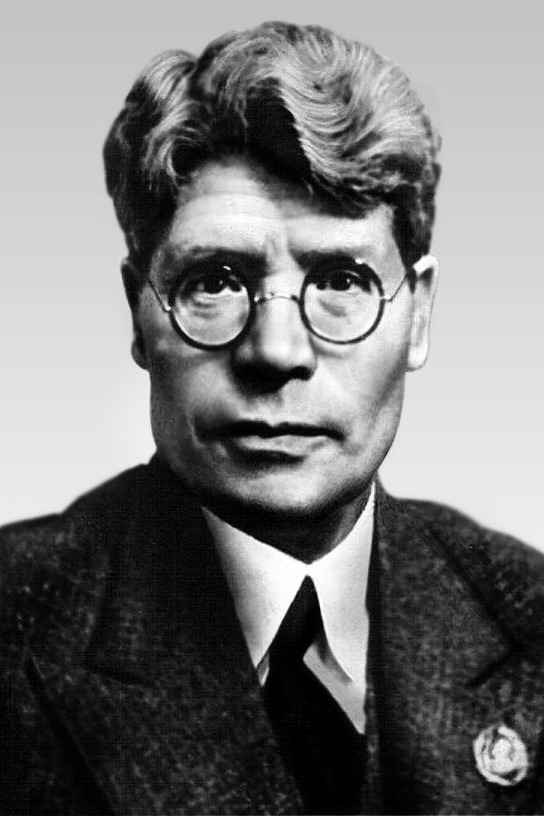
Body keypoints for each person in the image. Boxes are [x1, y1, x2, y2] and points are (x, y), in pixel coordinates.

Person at [1, 20, 543, 816]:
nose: (277, 351)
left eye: (342, 280)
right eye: (215, 282)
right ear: (138, 311)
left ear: (420, 316)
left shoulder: (530, 613)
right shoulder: (16, 619)